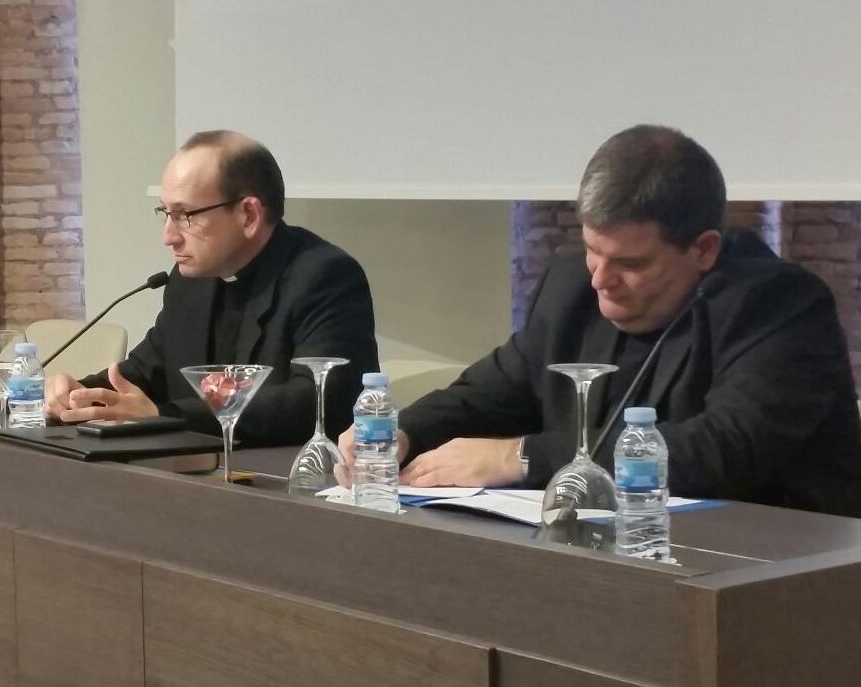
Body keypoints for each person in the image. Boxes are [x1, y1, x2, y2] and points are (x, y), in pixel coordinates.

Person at [339, 124, 861, 517]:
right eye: (593, 251)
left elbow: (721, 452)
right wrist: (397, 432)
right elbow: (488, 393)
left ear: (703, 250)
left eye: (631, 264)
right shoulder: (570, 287)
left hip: (778, 575)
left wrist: (522, 457)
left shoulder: (779, 305)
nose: (600, 280)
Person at [46, 130, 379, 446]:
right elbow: (143, 374)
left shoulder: (325, 276)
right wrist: (78, 394)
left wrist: (166, 415)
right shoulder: (189, 282)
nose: (169, 236)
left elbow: (317, 402)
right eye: (165, 213)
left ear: (249, 215)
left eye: (186, 215)